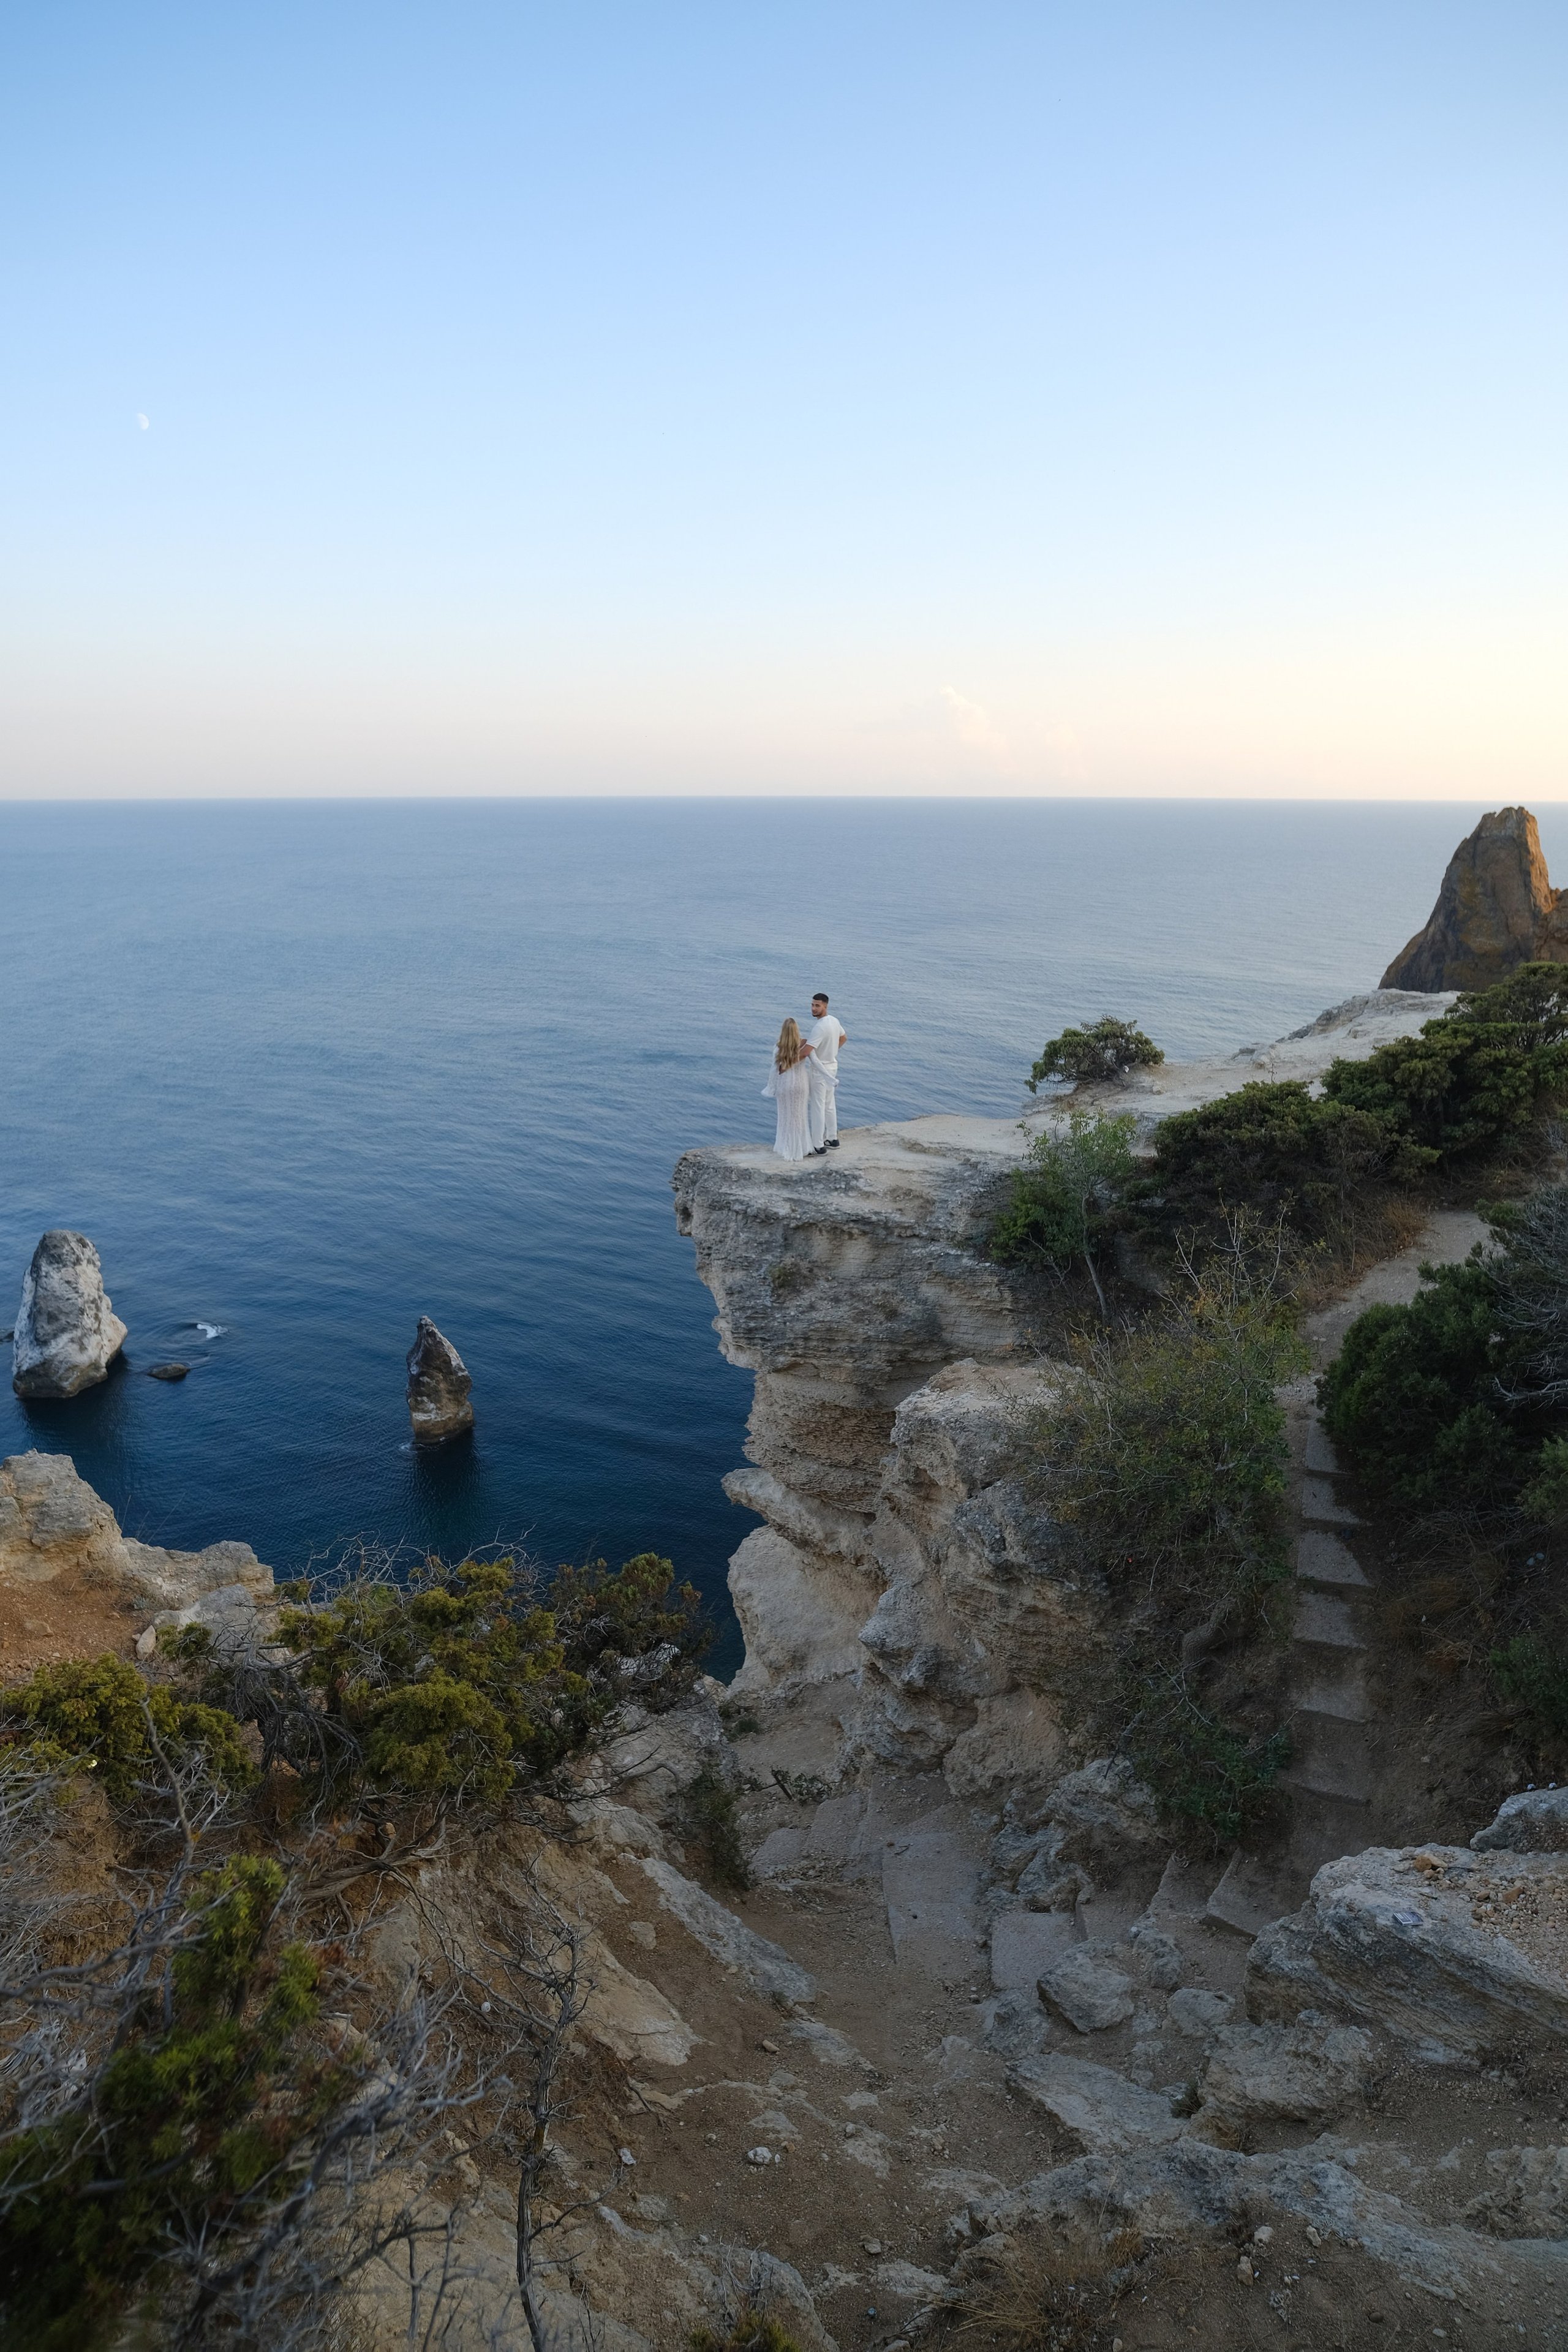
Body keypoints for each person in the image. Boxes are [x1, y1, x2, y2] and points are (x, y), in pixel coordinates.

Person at [763, 1016, 814, 1160]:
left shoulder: (778, 1047)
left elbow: (774, 1069)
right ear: (797, 1031)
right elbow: (816, 1063)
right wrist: (830, 1078)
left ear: (783, 1032)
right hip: (801, 1085)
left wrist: (771, 1087)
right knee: (800, 1116)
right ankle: (802, 1148)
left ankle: (786, 1148)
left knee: (785, 1117)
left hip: (785, 1085)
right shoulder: (805, 1045)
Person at [804, 991, 848, 1155]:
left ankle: (818, 1145)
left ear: (825, 1007)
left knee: (818, 1107)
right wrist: (831, 1051)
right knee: (829, 1104)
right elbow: (844, 1038)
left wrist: (786, 1062)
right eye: (812, 1005)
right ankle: (832, 1139)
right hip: (832, 1067)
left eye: (817, 1006)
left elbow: (807, 1051)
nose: (814, 1008)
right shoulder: (834, 1021)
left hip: (820, 1071)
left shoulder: (819, 1027)